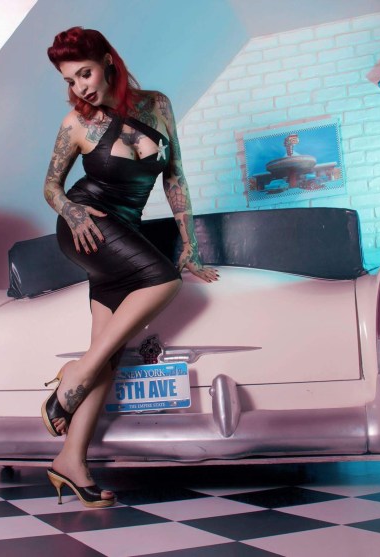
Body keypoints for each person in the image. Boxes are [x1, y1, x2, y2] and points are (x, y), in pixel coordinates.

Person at [42, 27, 219, 508]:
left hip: (126, 232)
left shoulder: (157, 105)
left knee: (110, 351)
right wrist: (73, 212)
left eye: (84, 73)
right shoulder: (77, 124)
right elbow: (51, 187)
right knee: (163, 280)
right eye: (70, 80)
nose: (80, 87)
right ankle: (75, 376)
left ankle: (70, 461)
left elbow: (174, 174)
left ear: (108, 61)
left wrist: (190, 245)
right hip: (86, 227)